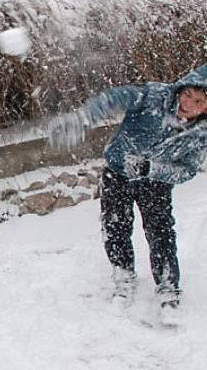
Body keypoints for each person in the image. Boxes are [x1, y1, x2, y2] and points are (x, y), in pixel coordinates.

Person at [48, 63, 207, 323]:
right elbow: (117, 97)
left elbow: (187, 171)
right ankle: (123, 277)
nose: (188, 103)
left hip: (155, 182)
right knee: (115, 227)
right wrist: (85, 117)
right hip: (118, 171)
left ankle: (168, 290)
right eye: (187, 94)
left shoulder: (201, 134)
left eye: (198, 101)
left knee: (161, 233)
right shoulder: (155, 96)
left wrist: (151, 169)